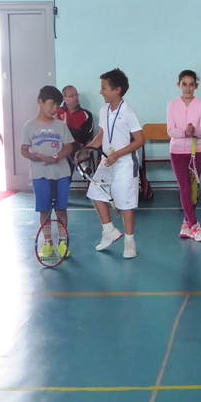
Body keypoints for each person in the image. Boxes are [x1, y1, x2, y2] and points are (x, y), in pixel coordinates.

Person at [81, 68, 144, 259]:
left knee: (125, 204)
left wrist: (118, 154)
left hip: (125, 163)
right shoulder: (103, 111)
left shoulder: (128, 113)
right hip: (107, 161)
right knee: (95, 192)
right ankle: (109, 231)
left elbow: (139, 140)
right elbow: (101, 136)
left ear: (117, 90)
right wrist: (86, 151)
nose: (101, 92)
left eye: (104, 88)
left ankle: (130, 242)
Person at [22, 86, 74, 260]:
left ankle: (62, 242)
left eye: (57, 106)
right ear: (40, 102)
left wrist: (55, 157)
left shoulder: (61, 126)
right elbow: (23, 149)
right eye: (51, 104)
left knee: (61, 209)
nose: (54, 109)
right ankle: (48, 243)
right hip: (40, 175)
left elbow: (68, 148)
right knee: (44, 210)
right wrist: (32, 156)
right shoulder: (29, 126)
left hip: (61, 174)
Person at [166, 70, 201, 242]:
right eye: (184, 84)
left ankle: (186, 223)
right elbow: (171, 130)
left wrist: (194, 131)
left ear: (196, 86)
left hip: (196, 151)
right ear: (179, 85)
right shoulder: (172, 105)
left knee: (193, 189)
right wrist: (185, 132)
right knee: (184, 187)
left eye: (191, 85)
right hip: (177, 152)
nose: (188, 88)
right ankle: (194, 225)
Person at [57, 85, 95, 152]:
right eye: (71, 96)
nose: (76, 98)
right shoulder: (56, 112)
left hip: (76, 151)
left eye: (76, 95)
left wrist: (66, 128)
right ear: (64, 98)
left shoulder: (86, 114)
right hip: (57, 148)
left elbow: (85, 138)